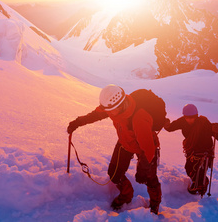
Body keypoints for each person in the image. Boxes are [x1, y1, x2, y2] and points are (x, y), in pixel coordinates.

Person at [67, 85, 163, 214]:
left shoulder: (139, 118)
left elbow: (148, 148)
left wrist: (143, 169)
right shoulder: (113, 107)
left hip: (145, 148)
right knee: (114, 173)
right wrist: (77, 122)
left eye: (112, 110)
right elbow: (96, 115)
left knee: (149, 178)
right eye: (108, 110)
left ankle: (155, 204)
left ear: (121, 104)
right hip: (125, 142)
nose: (109, 113)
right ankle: (127, 194)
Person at [163, 103, 218, 195]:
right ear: (184, 116)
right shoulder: (182, 121)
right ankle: (199, 183)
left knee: (199, 170)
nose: (189, 120)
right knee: (189, 169)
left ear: (196, 116)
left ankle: (199, 186)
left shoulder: (204, 124)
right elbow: (171, 127)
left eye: (192, 117)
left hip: (204, 152)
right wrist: (166, 124)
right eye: (187, 117)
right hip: (192, 151)